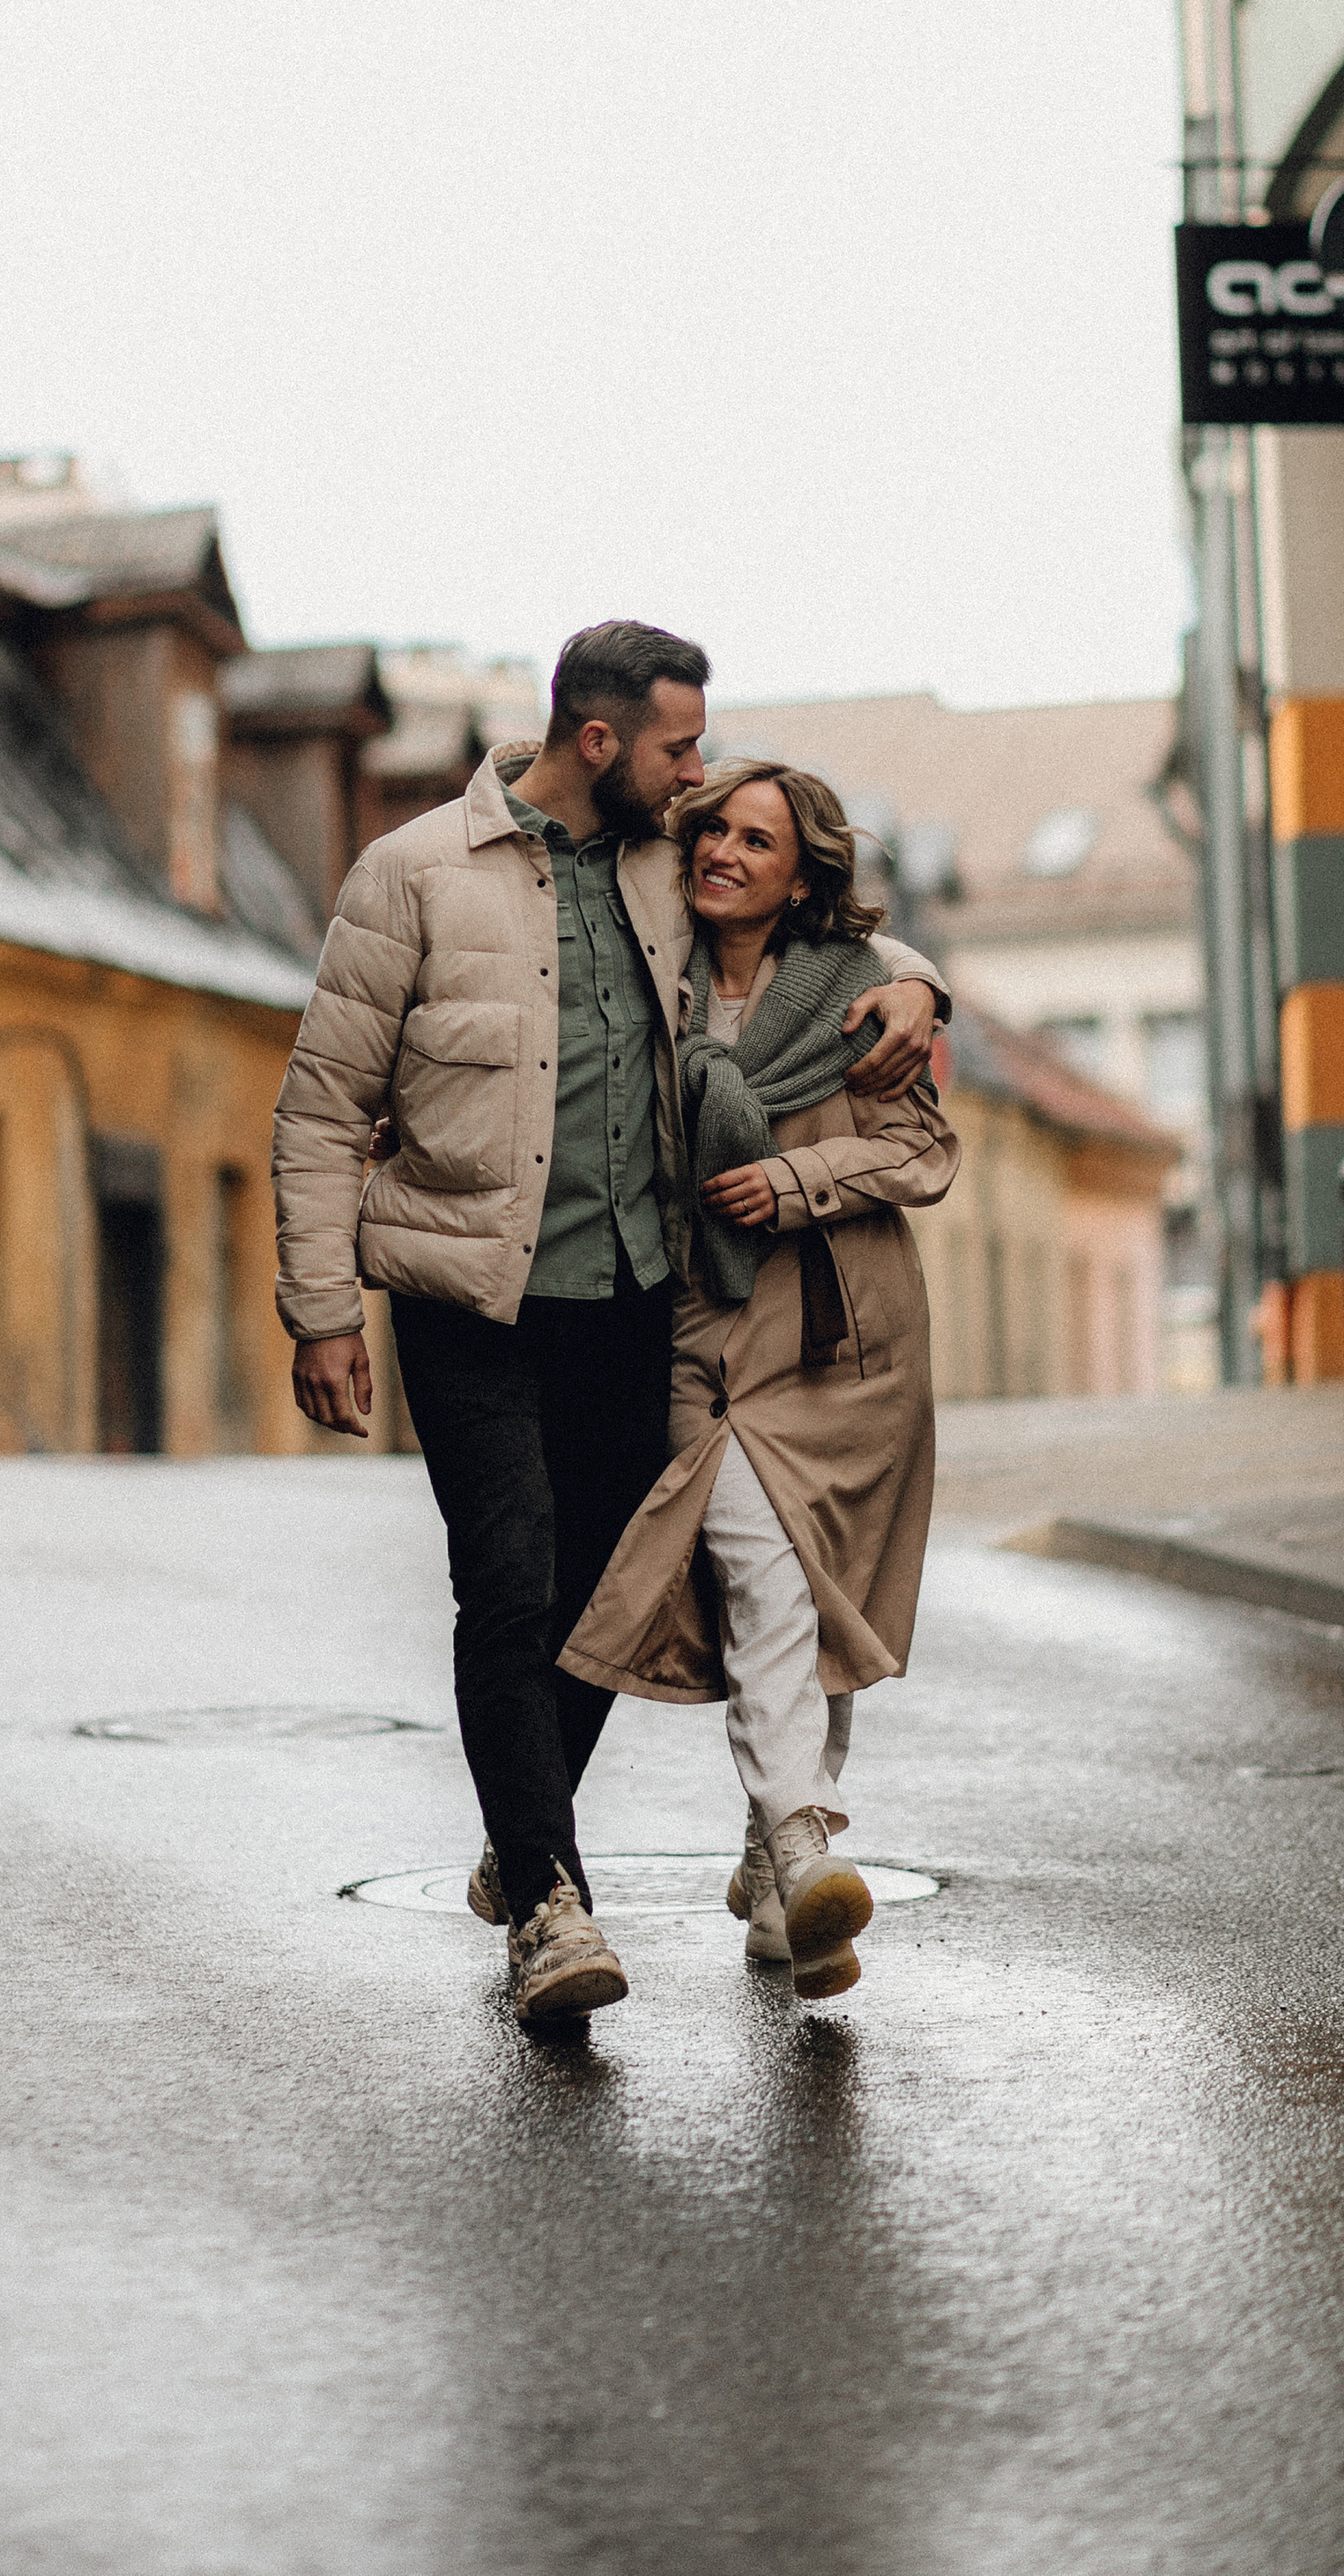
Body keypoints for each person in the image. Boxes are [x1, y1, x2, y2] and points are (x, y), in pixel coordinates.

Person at [270, 625, 949, 2029]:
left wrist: (918, 982)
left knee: (602, 1603)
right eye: (678, 748)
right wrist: (322, 1308)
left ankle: (522, 1840)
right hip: (468, 1299)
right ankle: (549, 1908)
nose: (696, 775)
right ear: (600, 744)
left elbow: (821, 928)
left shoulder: (661, 868)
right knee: (509, 1585)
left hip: (632, 1297)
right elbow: (325, 1106)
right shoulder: (410, 876)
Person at [557, 761, 958, 2003]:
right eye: (713, 829)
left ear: (805, 872)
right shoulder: (649, 986)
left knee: (821, 1596)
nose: (727, 851)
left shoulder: (856, 1001)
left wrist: (791, 1183)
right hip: (704, 1334)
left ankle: (776, 1881)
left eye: (760, 839)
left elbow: (921, 1152)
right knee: (762, 1574)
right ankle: (798, 1832)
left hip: (845, 1344)